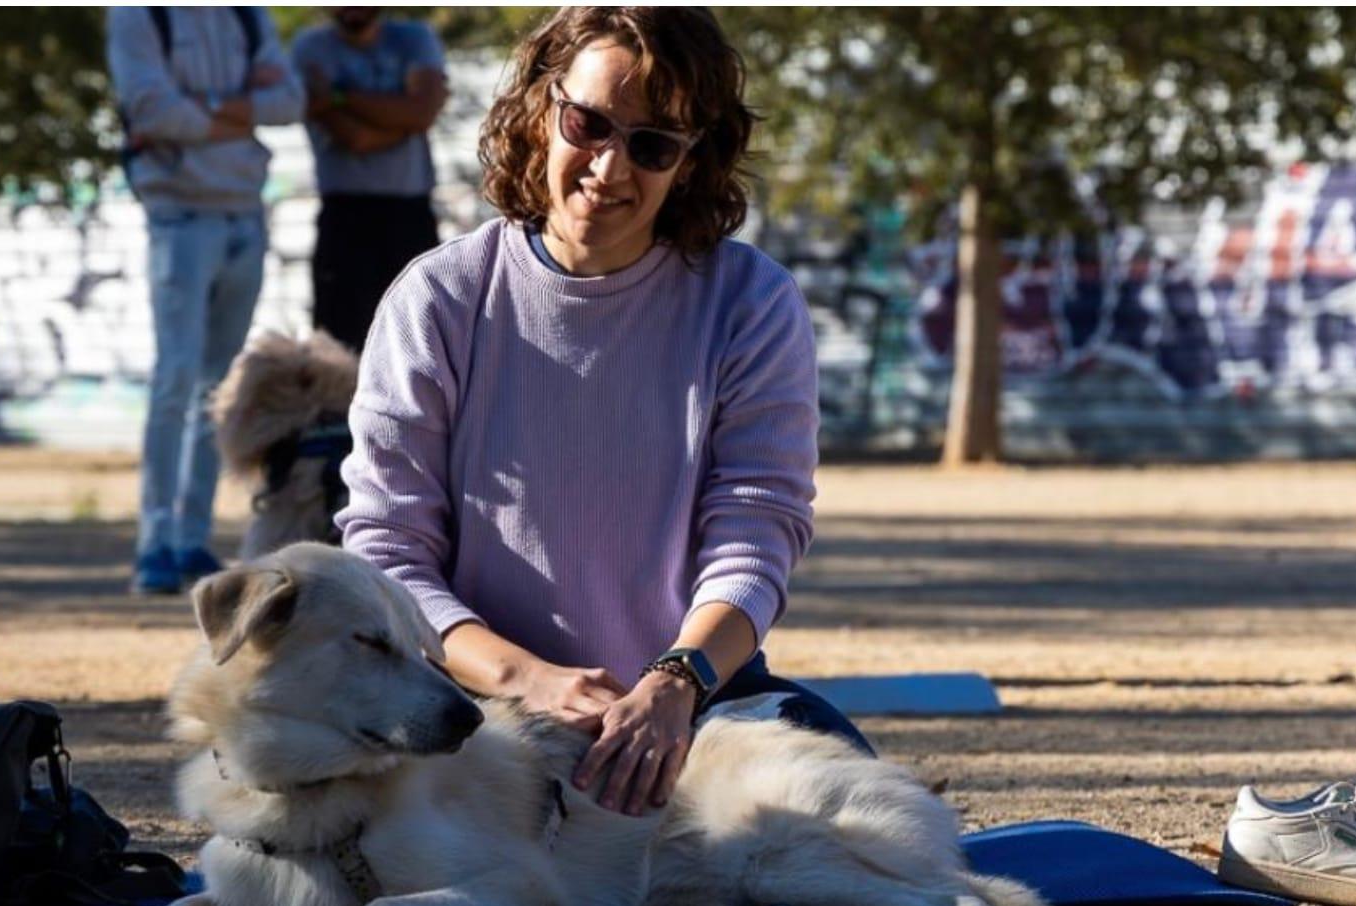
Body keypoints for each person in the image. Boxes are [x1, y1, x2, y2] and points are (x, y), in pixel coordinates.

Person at [335, 7, 871, 822]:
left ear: (692, 163)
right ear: (541, 110)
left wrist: (674, 684)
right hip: (477, 714)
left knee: (852, 819)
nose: (609, 165)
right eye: (588, 124)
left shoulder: (751, 302)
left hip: (692, 702)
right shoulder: (438, 298)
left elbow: (755, 531)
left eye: (653, 145)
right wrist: (527, 679)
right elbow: (386, 550)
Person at [107, 6, 304, 595]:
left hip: (245, 211)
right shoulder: (142, 15)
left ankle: (191, 540)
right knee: (175, 379)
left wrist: (204, 112)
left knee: (217, 390)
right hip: (180, 214)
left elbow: (290, 102)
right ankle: (154, 544)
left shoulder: (246, 15)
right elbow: (149, 108)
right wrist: (241, 108)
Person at [290, 8, 449, 353]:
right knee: (341, 348)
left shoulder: (415, 38)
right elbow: (354, 138)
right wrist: (401, 122)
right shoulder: (310, 48)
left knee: (425, 339)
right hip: (345, 213)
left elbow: (422, 111)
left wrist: (338, 96)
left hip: (410, 212)